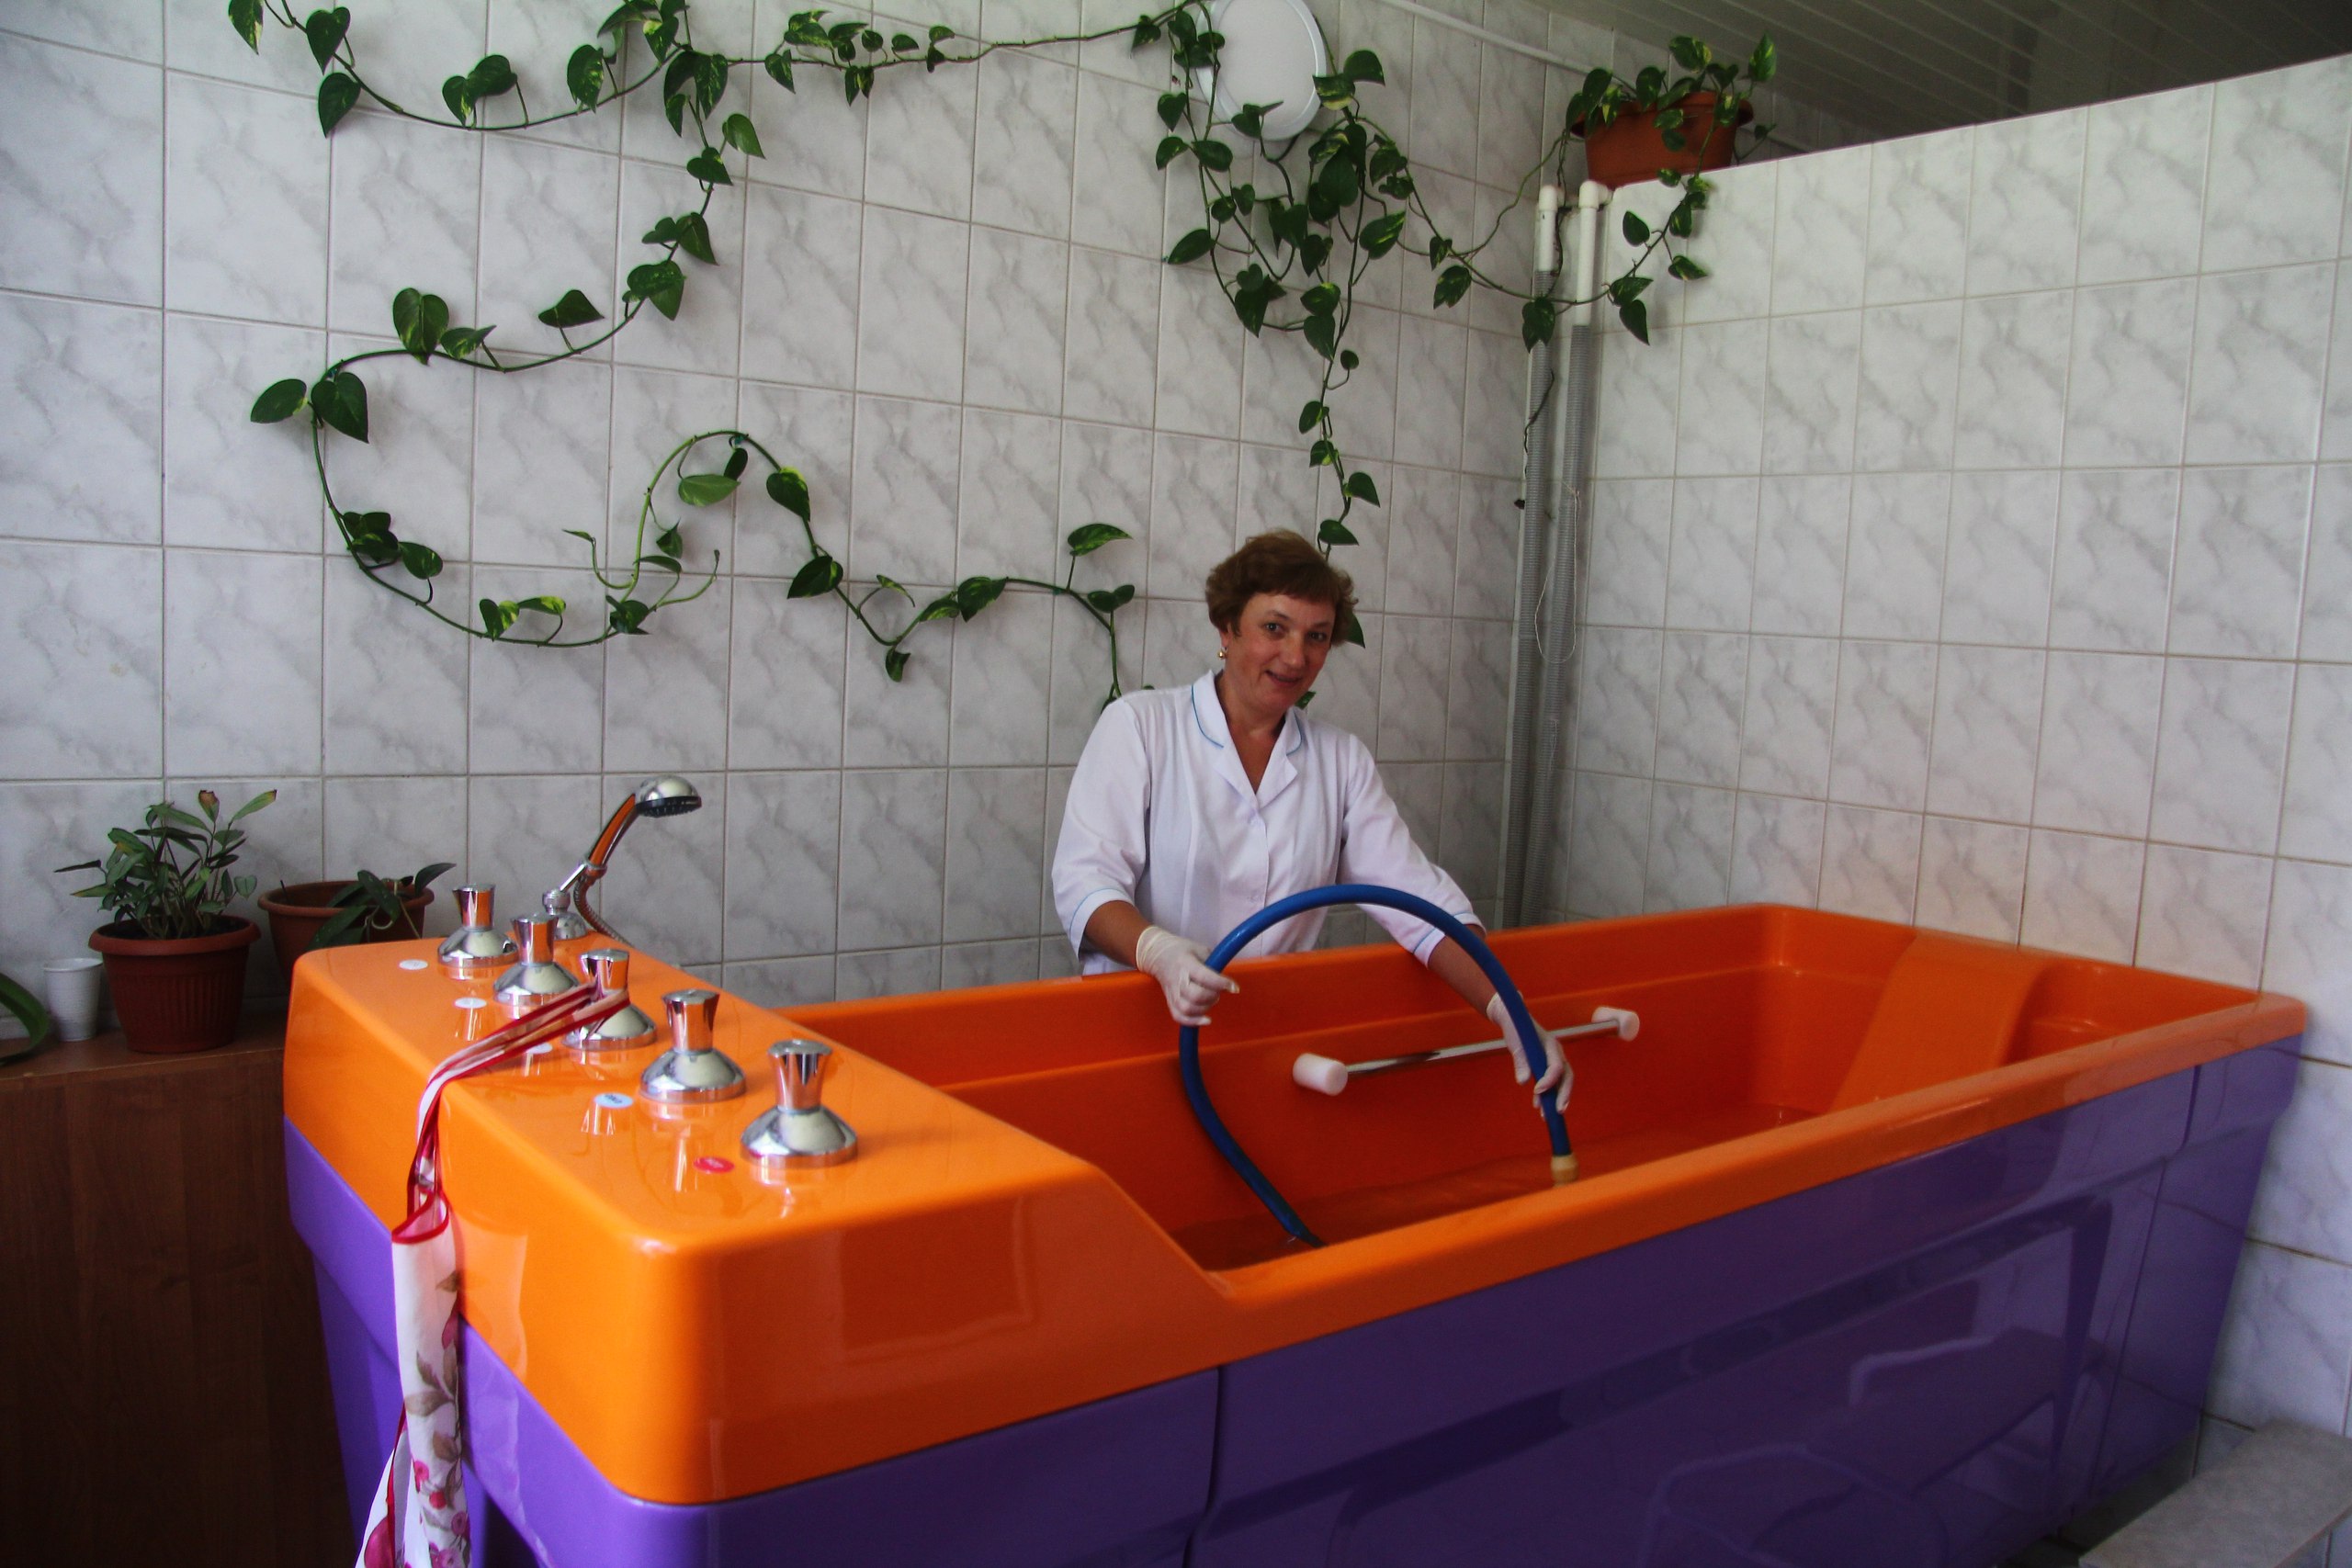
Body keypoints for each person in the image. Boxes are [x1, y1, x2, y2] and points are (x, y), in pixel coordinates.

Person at [1051, 529, 1566, 1109]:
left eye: (1316, 637)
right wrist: (1157, 952)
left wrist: (1510, 1011)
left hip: (1271, 1044)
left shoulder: (1340, 760)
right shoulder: (1140, 727)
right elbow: (1085, 883)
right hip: (1137, 1038)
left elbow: (1422, 906)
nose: (1296, 657)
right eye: (1275, 628)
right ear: (1227, 628)